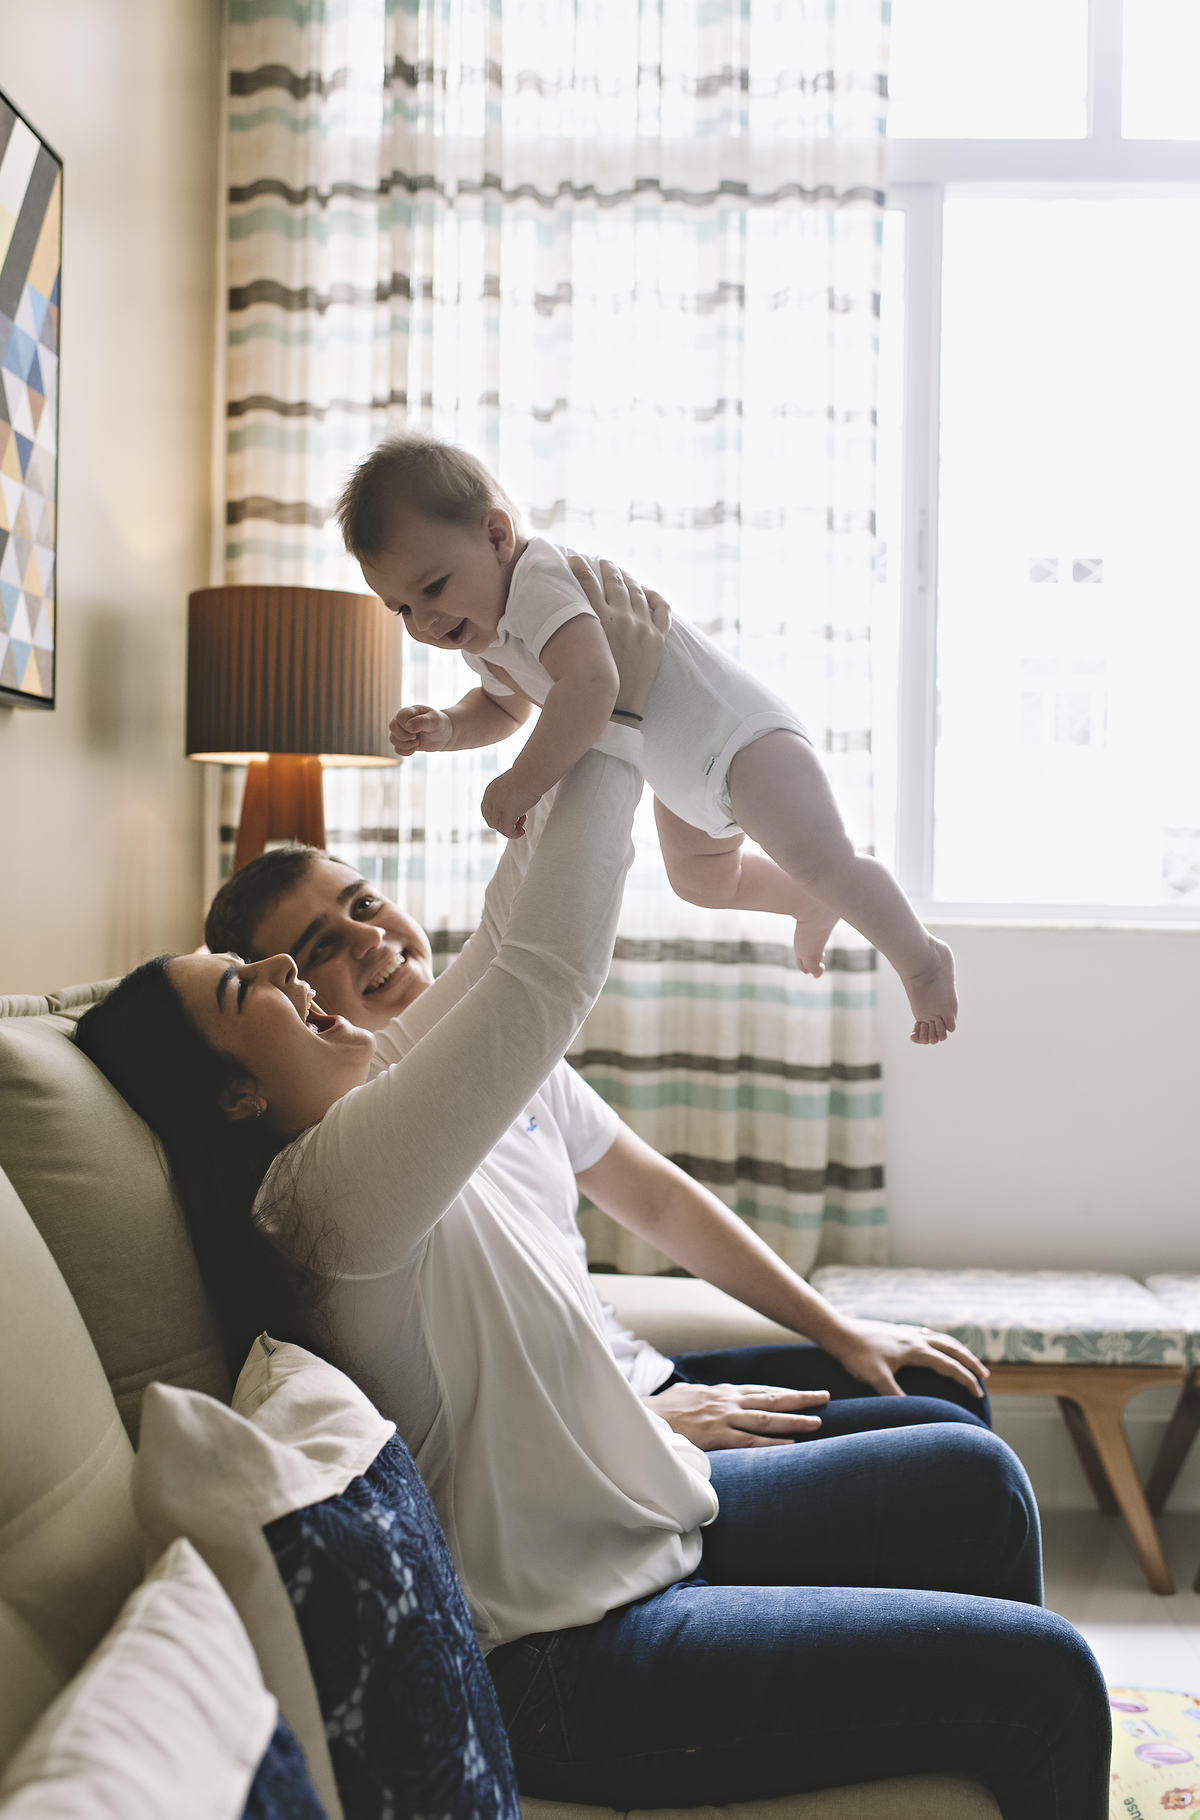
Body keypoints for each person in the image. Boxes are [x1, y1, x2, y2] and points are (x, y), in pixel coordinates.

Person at [76, 571, 1108, 1817]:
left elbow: (515, 937)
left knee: (971, 1482)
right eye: (261, 988)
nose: (306, 985)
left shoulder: (372, 1102)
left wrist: (583, 700)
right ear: (234, 1097)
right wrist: (608, 712)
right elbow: (547, 973)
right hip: (568, 1662)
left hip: (629, 1545)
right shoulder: (326, 1192)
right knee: (1049, 1678)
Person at [203, 571, 990, 1454]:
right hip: (604, 1439)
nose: (369, 941)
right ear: (293, 1006)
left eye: (364, 904)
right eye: (318, 951)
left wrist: (841, 1331)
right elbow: (532, 946)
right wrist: (611, 706)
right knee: (966, 1466)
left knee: (935, 1390)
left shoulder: (492, 1046)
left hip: (640, 1385)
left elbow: (655, 1198)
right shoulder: (361, 1133)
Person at [335, 433, 957, 1045]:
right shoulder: (487, 638)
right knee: (704, 882)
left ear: (497, 536)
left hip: (742, 742)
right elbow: (504, 709)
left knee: (827, 860)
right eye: (402, 610)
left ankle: (922, 958)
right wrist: (449, 726)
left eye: (433, 588)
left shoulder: (538, 581)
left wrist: (518, 785)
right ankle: (806, 900)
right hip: (683, 777)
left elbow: (593, 685)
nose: (424, 623)